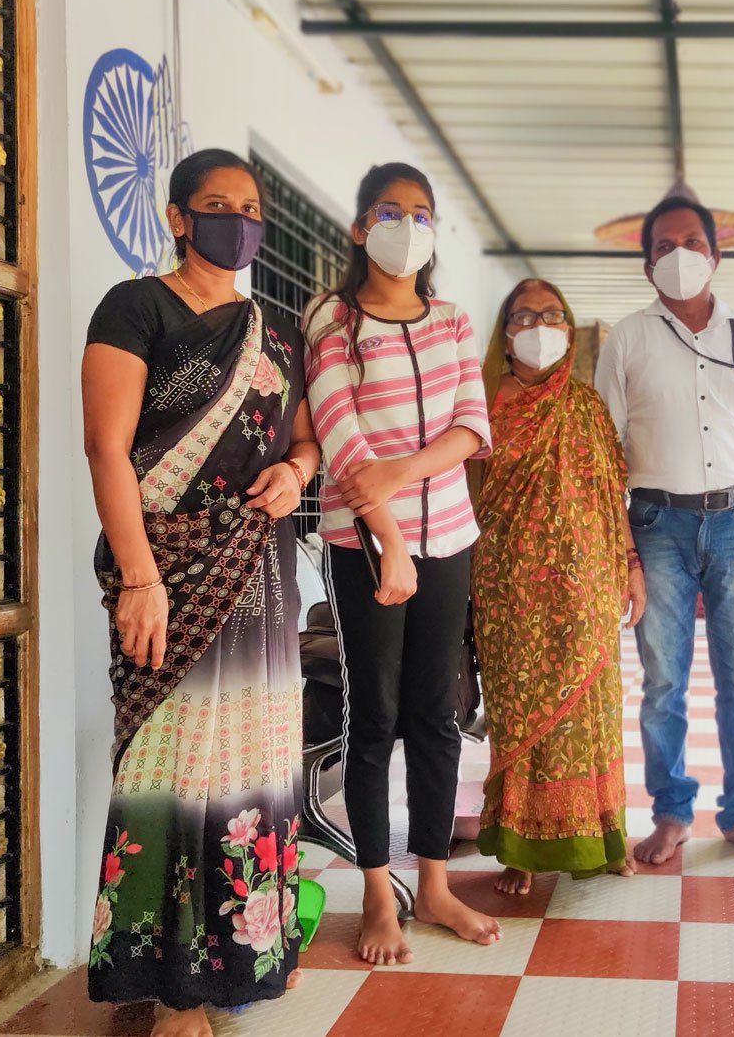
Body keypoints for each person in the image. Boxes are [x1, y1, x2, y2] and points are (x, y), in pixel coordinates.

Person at [82, 149, 324, 1037]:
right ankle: (173, 983)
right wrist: (140, 578)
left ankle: (245, 955)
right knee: (171, 766)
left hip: (256, 573)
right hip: (166, 568)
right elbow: (108, 449)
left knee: (253, 764)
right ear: (179, 216)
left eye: (250, 206)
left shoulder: (280, 328)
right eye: (217, 205)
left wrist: (298, 472)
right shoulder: (136, 306)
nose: (239, 220)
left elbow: (304, 440)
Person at [304, 162, 500, 966]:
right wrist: (386, 534)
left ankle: (438, 882)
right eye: (392, 211)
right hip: (363, 548)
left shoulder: (452, 321)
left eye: (423, 214)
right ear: (360, 227)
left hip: (449, 538)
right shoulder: (330, 320)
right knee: (373, 718)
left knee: (436, 714)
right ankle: (379, 896)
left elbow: (471, 428)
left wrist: (398, 474)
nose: (408, 226)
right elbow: (340, 438)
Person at [595, 194, 734, 867]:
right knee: (663, 683)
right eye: (662, 246)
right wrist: (618, 544)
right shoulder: (627, 338)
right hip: (656, 523)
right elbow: (604, 444)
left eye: (691, 243)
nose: (678, 256)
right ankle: (671, 814)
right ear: (647, 263)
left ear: (716, 254)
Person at [471, 278, 646, 894]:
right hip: (508, 589)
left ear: (569, 329)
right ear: (505, 330)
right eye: (524, 315)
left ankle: (604, 838)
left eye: (551, 314)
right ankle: (521, 849)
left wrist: (630, 563)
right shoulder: (483, 402)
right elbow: (466, 494)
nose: (539, 325)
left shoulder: (588, 405)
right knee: (520, 714)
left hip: (589, 585)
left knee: (593, 714)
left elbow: (610, 494)